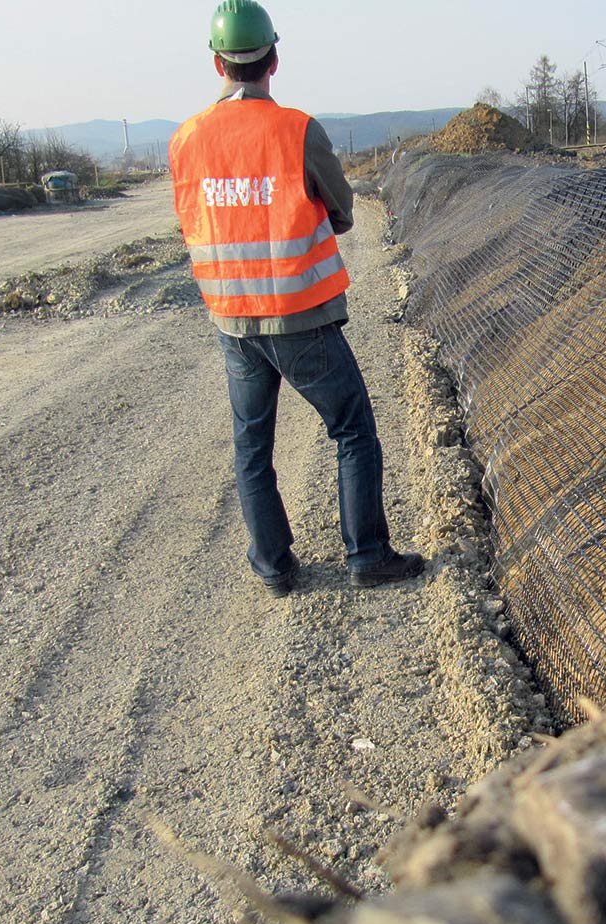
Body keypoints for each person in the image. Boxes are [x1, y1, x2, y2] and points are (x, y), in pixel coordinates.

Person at [169, 0, 424, 597]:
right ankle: (367, 555)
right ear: (274, 60)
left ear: (217, 64)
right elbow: (341, 209)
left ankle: (274, 566)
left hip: (233, 320)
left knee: (252, 444)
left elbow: (192, 222)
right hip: (299, 315)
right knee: (352, 429)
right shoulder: (298, 130)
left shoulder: (185, 139)